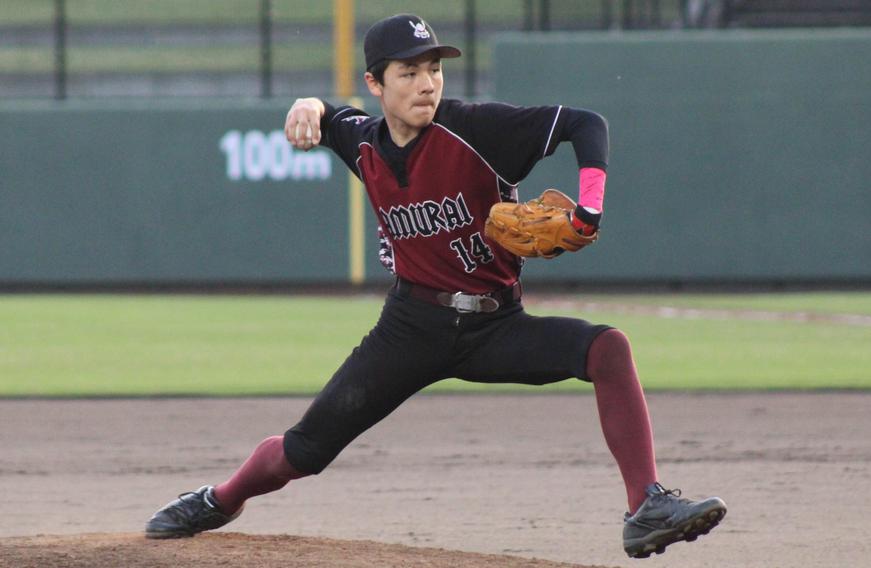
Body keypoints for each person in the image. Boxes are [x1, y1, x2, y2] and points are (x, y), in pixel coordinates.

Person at [145, 14, 726, 559]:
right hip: (410, 329)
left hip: (496, 325)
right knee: (304, 452)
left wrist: (590, 209)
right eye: (409, 72)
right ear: (376, 82)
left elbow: (584, 124)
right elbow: (331, 117)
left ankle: (645, 505)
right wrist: (307, 105)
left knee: (608, 348)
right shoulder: (364, 141)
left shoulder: (478, 129)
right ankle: (220, 500)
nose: (427, 84)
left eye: (435, 69)